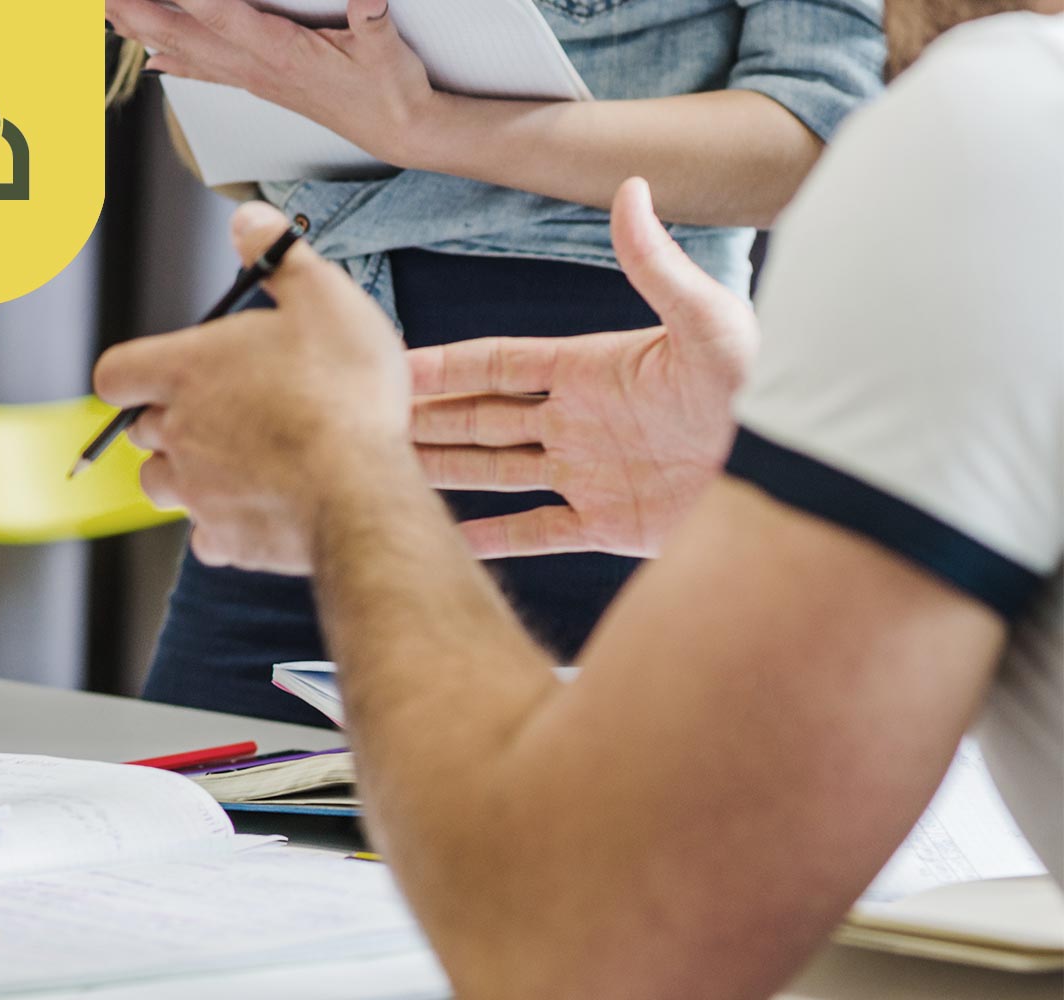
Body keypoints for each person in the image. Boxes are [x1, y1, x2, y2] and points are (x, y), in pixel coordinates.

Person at [93, 0, 1063, 993]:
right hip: (515, 383)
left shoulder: (999, 123)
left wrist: (347, 479)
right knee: (166, 871)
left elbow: (581, 941)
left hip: (566, 372)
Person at [103, 0, 886, 723]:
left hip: (600, 424)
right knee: (189, 825)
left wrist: (422, 125)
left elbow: (820, 134)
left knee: (569, 852)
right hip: (313, 381)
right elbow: (242, 170)